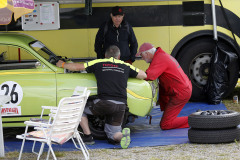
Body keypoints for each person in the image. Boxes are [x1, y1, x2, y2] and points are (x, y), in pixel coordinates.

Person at [56, 45, 147, 149]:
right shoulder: (125, 65)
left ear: (105, 55)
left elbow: (78, 67)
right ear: (119, 56)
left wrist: (62, 64)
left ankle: (88, 136)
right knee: (113, 134)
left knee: (78, 109)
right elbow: (143, 75)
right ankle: (122, 136)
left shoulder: (99, 62)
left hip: (104, 103)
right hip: (121, 105)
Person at [136, 43, 192, 130]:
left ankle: (196, 120)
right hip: (182, 89)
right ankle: (195, 118)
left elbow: (149, 75)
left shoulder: (159, 59)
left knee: (166, 124)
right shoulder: (161, 55)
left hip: (180, 93)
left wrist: (134, 73)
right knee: (167, 116)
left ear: (147, 53)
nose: (142, 58)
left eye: (142, 56)